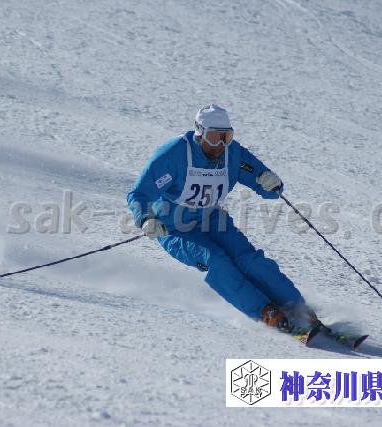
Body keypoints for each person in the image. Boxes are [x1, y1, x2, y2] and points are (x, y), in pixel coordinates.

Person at [127, 104, 318, 333]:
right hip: (175, 228)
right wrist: (146, 218)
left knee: (250, 261)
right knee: (217, 262)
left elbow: (263, 182)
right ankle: (266, 312)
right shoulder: (174, 155)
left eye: (226, 137)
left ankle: (298, 309)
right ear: (199, 132)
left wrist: (270, 183)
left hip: (212, 219)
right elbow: (139, 193)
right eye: (214, 137)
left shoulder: (232, 154)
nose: (220, 145)